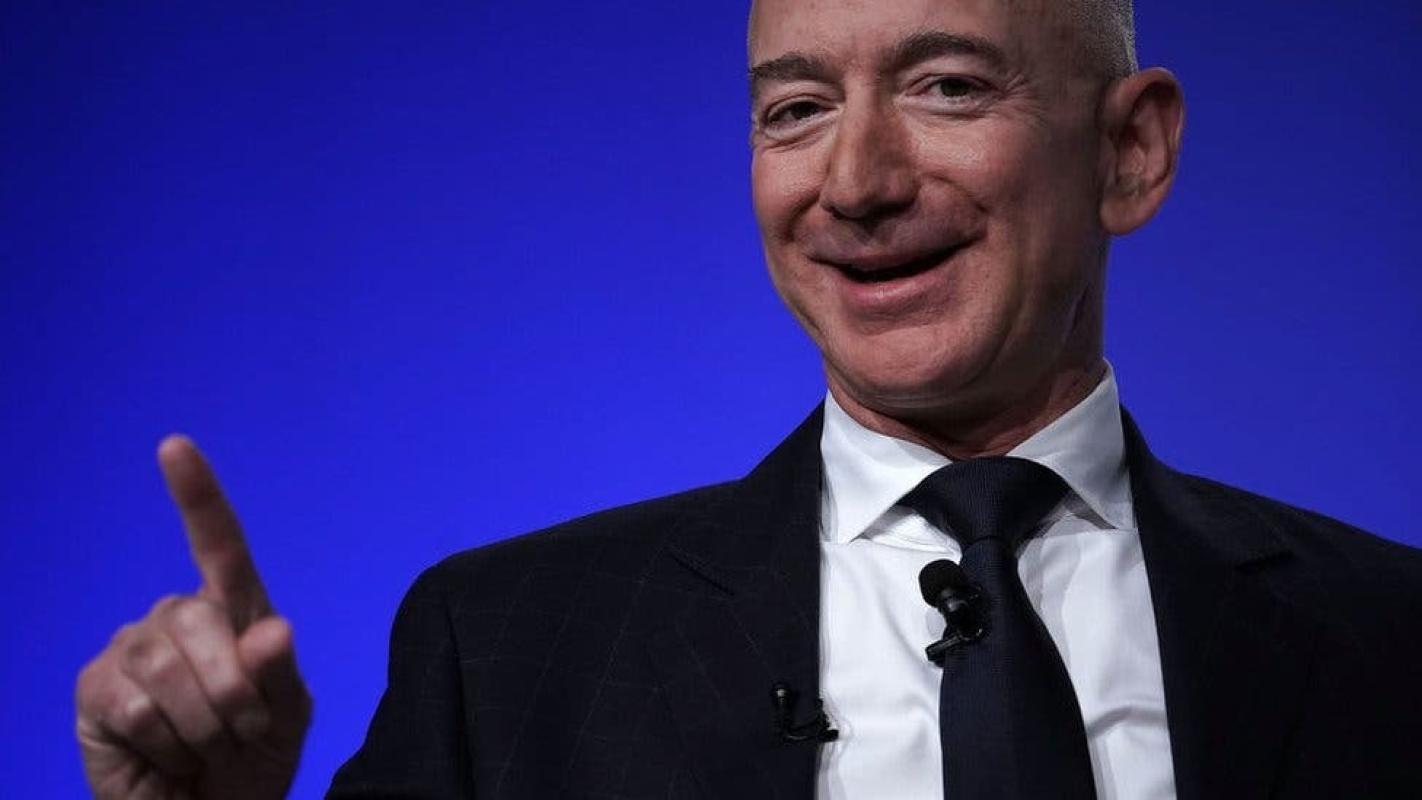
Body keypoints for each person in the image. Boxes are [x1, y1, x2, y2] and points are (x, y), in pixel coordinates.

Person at [75, 0, 1422, 798]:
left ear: (1129, 152)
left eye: (946, 86)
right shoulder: (501, 653)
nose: (856, 181)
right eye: (793, 110)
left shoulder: (1391, 643)